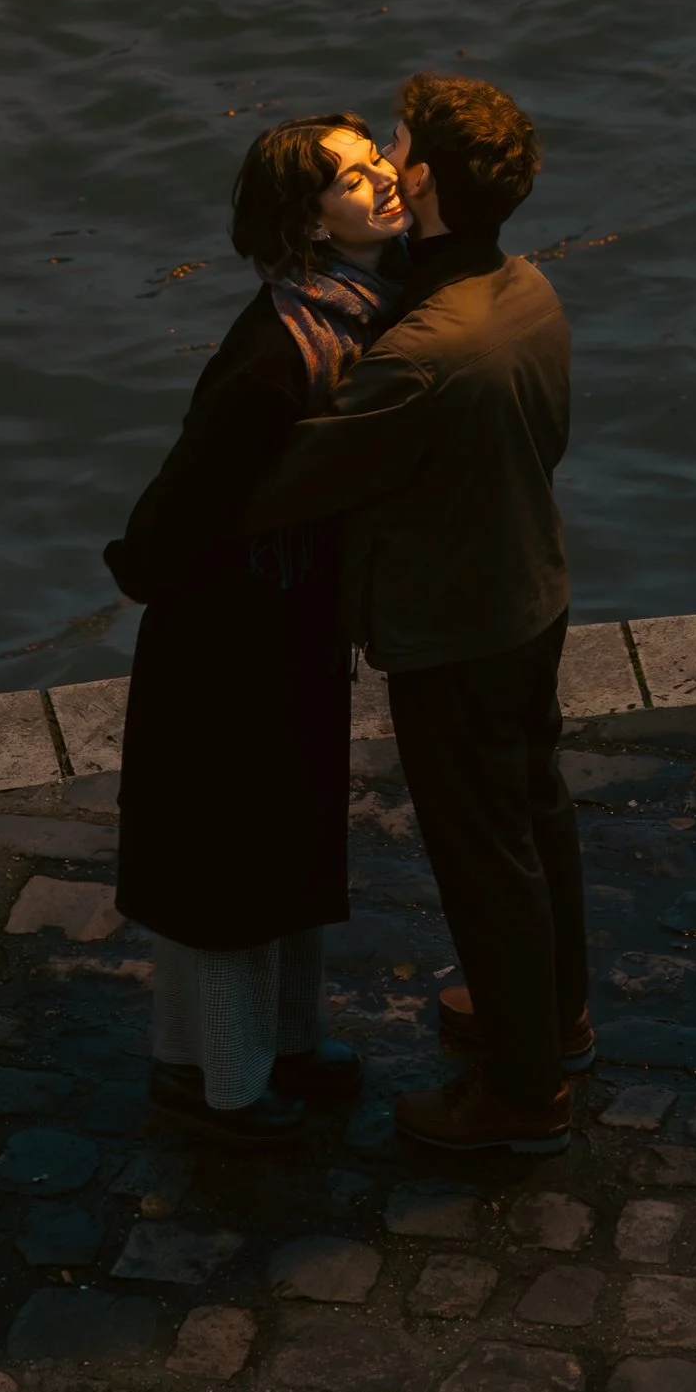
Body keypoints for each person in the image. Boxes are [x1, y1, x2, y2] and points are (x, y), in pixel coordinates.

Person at [251, 71, 587, 1157]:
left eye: (396, 146)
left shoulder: (425, 352)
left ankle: (522, 1095)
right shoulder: (525, 290)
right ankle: (550, 1016)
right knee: (535, 819)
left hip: (458, 630)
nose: (386, 160)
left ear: (429, 178)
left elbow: (292, 479)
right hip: (531, 592)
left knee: (483, 856)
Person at [105, 112, 406, 1150]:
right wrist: (140, 569)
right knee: (230, 862)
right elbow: (190, 495)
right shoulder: (278, 348)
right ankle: (223, 1083)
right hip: (229, 632)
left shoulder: (363, 309)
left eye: (376, 163)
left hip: (291, 617)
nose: (380, 183)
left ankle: (277, 1048)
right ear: (308, 222)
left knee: (285, 840)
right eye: (350, 178)